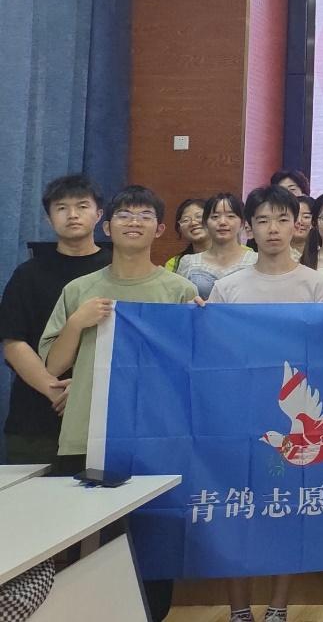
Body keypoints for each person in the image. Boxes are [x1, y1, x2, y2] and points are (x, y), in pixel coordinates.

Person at [39, 185, 195, 622]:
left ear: (160, 229)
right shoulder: (80, 289)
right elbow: (54, 363)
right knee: (87, 547)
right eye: (125, 215)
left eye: (145, 215)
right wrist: (77, 322)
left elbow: (192, 366)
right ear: (107, 227)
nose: (134, 222)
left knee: (153, 547)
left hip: (155, 437)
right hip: (87, 433)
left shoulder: (179, 290)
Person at [204, 186, 323, 622]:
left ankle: (278, 607)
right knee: (236, 508)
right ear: (249, 227)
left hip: (295, 419)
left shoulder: (315, 284)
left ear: (298, 225)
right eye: (262, 220)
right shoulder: (228, 288)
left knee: (287, 508)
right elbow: (214, 356)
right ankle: (239, 610)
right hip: (240, 413)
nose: (273, 229)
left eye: (282, 219)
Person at [1, 175, 111, 466]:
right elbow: (13, 342)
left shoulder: (117, 269)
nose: (72, 214)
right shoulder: (28, 275)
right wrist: (54, 389)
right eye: (61, 208)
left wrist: (84, 389)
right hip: (36, 418)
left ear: (99, 214)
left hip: (103, 417)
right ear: (49, 219)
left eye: (82, 206)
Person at [176, 193, 257, 299]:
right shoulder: (188, 263)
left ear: (242, 223)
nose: (222, 222)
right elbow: (180, 302)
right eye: (215, 217)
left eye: (230, 216)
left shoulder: (256, 260)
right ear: (205, 223)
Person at [163, 197, 210, 272]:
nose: (193, 223)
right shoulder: (175, 264)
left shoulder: (228, 257)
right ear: (180, 229)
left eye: (199, 216)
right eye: (186, 220)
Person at [291, 194, 314, 262]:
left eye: (306, 217)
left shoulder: (322, 255)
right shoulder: (276, 253)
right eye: (295, 216)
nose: (299, 221)